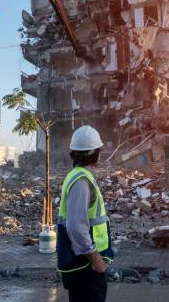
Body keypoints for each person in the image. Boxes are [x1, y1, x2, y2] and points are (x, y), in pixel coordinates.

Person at [57, 125, 114, 302]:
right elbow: (75, 227)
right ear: (95, 153)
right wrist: (97, 260)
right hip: (85, 266)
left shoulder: (76, 175)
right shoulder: (82, 181)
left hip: (80, 265)